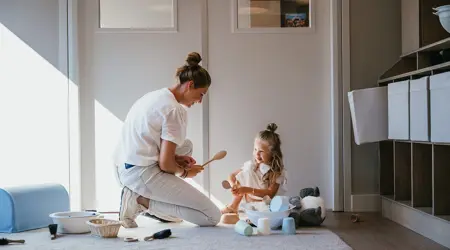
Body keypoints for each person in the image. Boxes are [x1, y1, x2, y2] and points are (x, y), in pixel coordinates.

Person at [114, 52, 221, 228]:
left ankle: (158, 204)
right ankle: (141, 200)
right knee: (212, 217)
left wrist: (177, 159)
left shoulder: (156, 96)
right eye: (201, 94)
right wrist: (186, 172)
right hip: (140, 174)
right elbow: (165, 164)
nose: (200, 101)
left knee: (185, 147)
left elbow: (149, 141)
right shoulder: (174, 110)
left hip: (124, 166)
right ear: (190, 85)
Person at [221, 123, 287, 214]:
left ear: (272, 153)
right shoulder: (251, 166)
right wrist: (234, 186)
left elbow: (270, 193)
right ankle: (233, 206)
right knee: (246, 172)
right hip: (250, 200)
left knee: (265, 210)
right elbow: (231, 175)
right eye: (255, 149)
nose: (257, 154)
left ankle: (254, 211)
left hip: (266, 203)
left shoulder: (277, 172)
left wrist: (247, 190)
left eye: (261, 151)